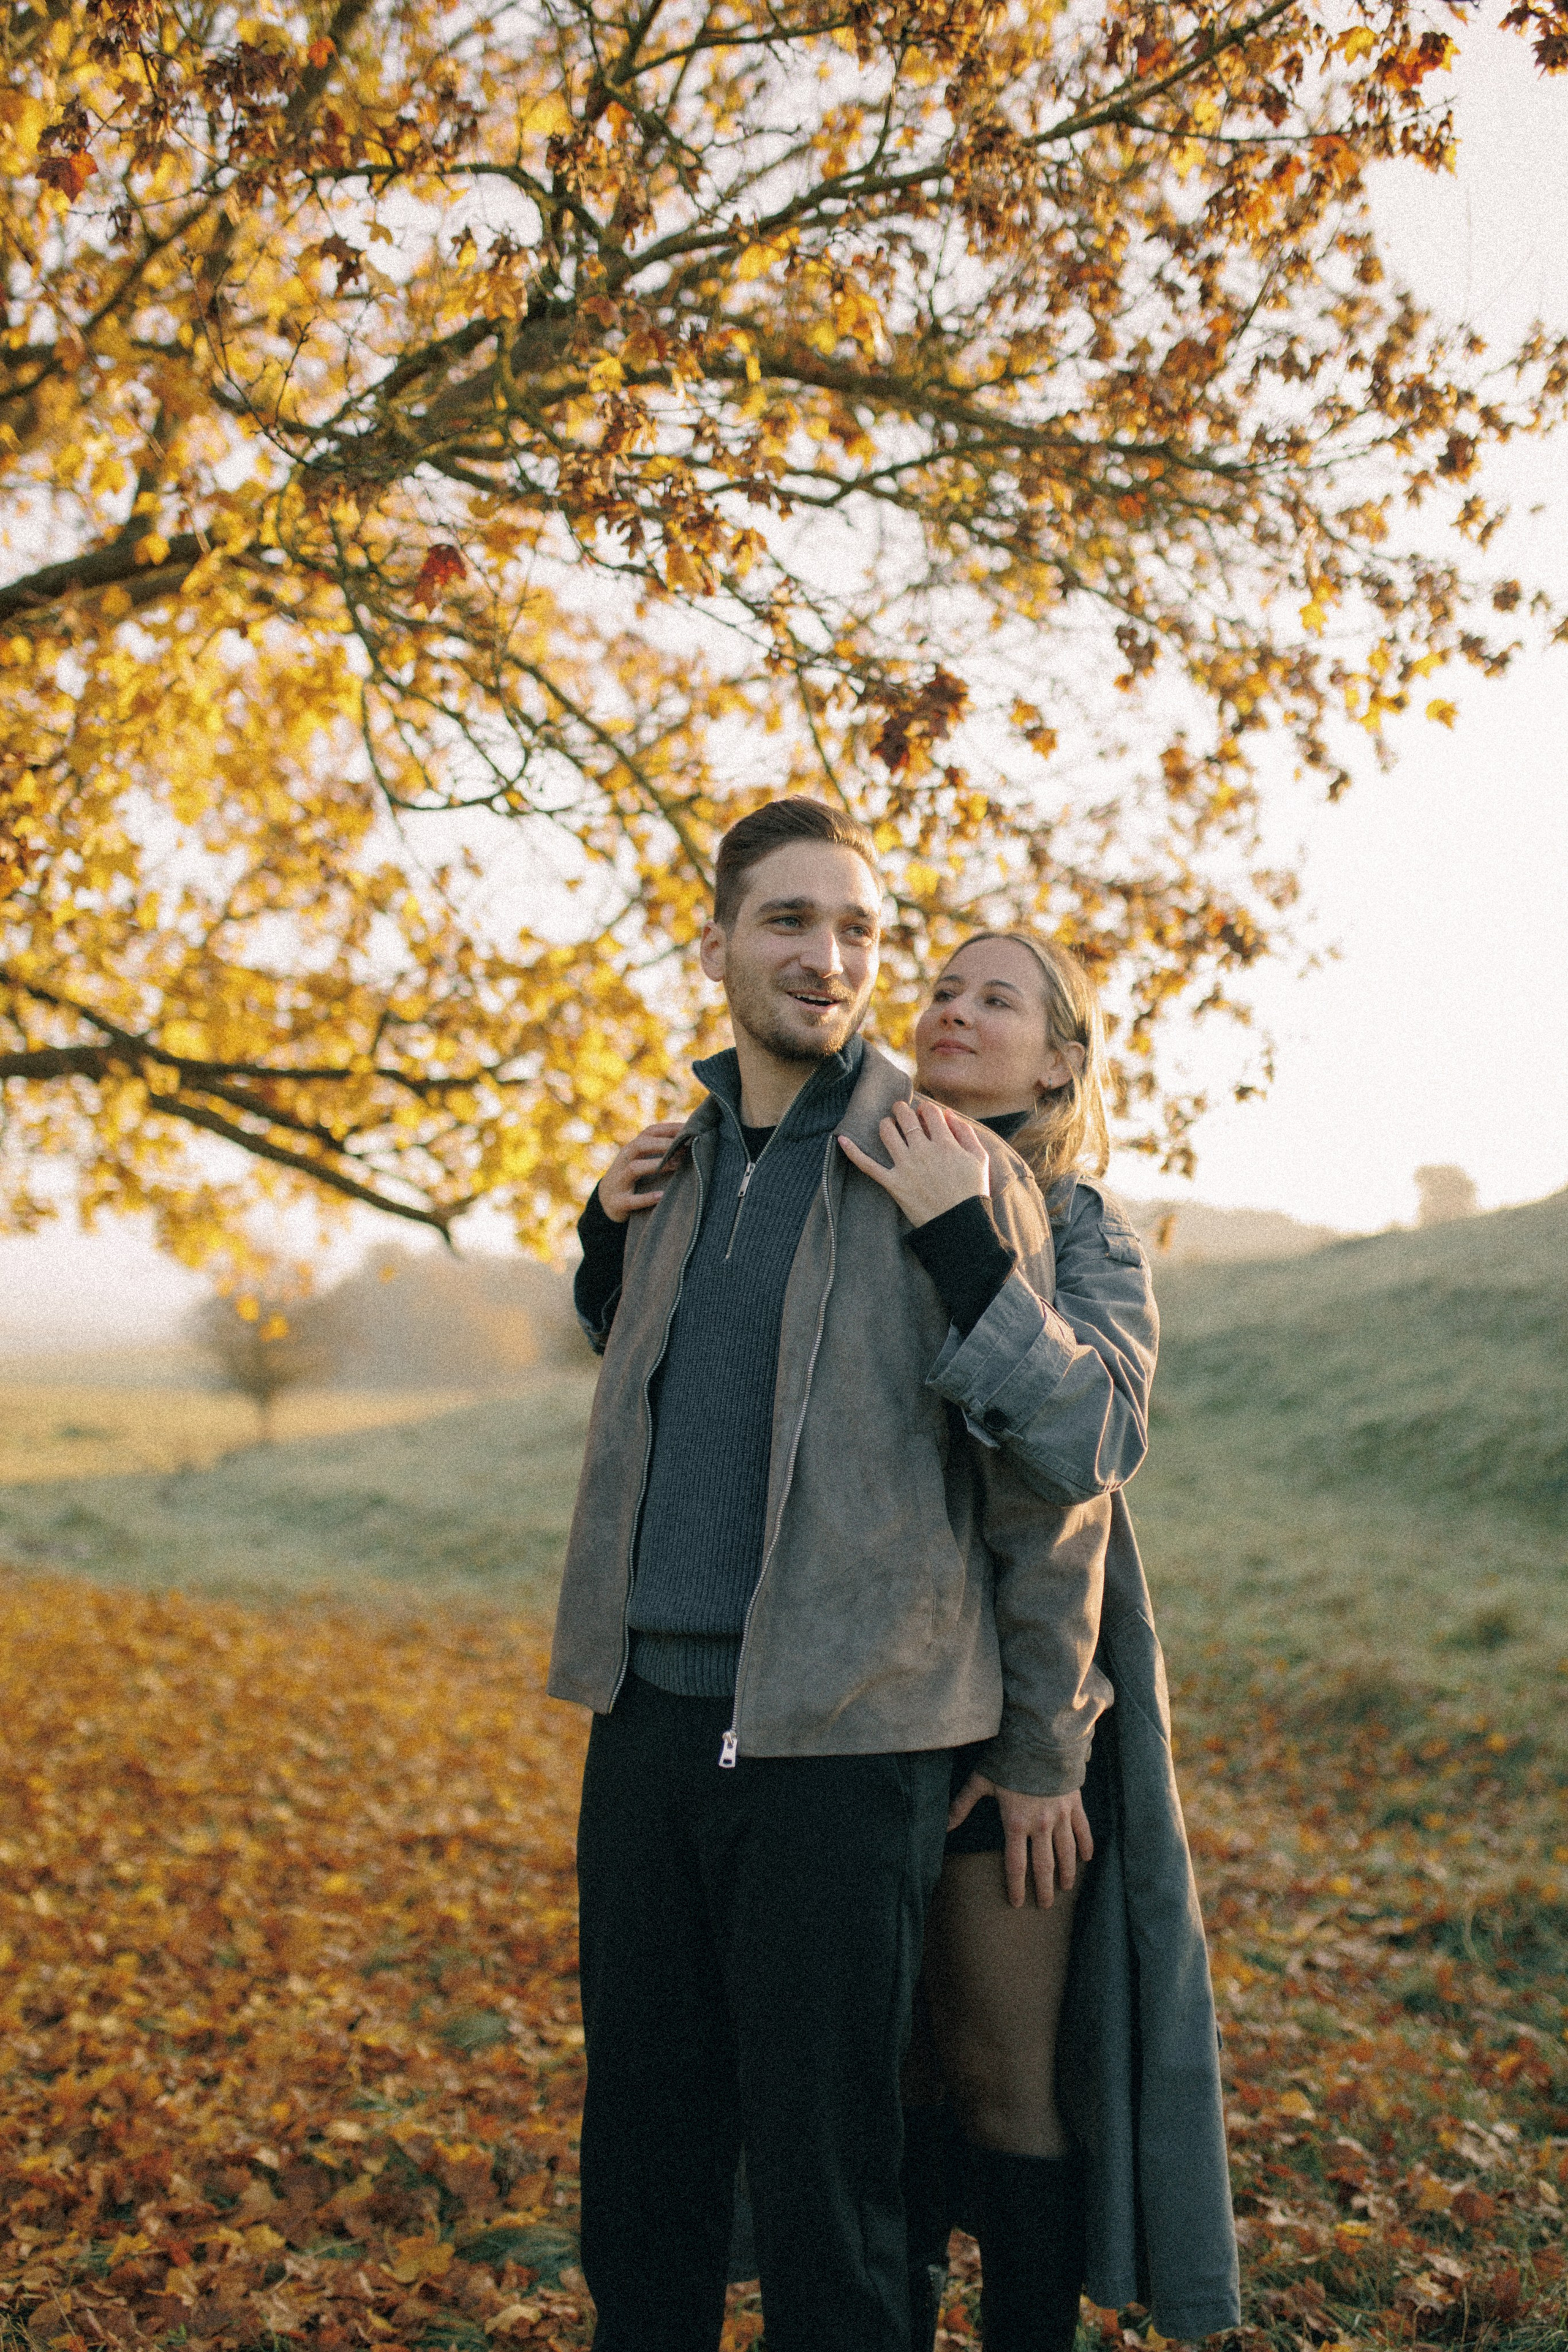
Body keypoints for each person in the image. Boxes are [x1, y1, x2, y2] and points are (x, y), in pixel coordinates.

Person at [549, 802, 1114, 2352]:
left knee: (830, 2192)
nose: (829, 956)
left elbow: (1052, 1487)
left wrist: (1038, 1743)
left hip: (846, 1740)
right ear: (717, 940)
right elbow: (666, 1369)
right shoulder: (675, 1161)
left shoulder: (942, 1167)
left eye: (859, 929)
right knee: (643, 2158)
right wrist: (597, 1235)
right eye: (790, 921)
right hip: (644, 1723)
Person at [842, 931, 1240, 2351]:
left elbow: (1086, 1449)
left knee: (1005, 2086)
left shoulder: (1080, 1229)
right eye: (942, 988)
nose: (952, 1010)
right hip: (853, 1708)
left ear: (1059, 1059)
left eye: (994, 998)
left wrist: (1037, 1752)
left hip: (1018, 1722)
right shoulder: (844, 1182)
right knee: (882, 2094)